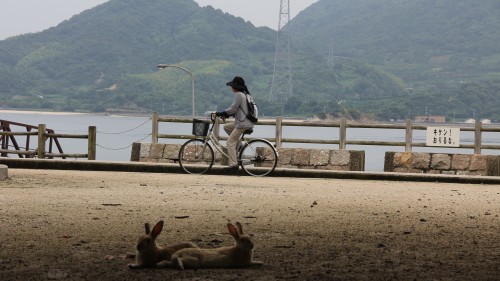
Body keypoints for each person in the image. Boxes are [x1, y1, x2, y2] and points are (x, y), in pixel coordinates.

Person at [215, 76, 255, 170]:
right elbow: (238, 110)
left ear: (235, 86)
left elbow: (233, 108)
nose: (231, 87)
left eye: (232, 86)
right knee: (227, 127)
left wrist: (223, 113)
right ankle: (239, 145)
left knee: (229, 142)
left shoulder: (239, 95)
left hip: (242, 124)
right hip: (246, 122)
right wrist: (227, 115)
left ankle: (233, 164)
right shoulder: (245, 94)